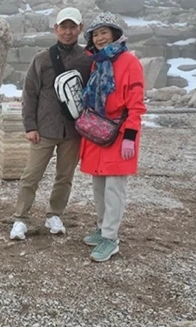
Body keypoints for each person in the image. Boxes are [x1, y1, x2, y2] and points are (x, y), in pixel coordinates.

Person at [10, 7, 93, 240]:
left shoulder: (87, 59)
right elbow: (30, 94)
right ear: (55, 29)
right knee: (31, 176)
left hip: (73, 131)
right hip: (44, 130)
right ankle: (20, 218)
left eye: (72, 27)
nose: (68, 32)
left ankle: (54, 214)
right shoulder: (42, 58)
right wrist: (30, 126)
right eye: (63, 27)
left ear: (80, 29)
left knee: (65, 177)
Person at [78, 12, 147, 262]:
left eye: (103, 32)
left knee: (114, 189)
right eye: (95, 34)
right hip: (98, 131)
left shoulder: (129, 61)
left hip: (118, 133)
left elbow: (136, 103)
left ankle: (111, 238)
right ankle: (102, 228)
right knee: (99, 187)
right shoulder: (97, 62)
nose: (99, 38)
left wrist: (130, 135)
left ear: (115, 34)